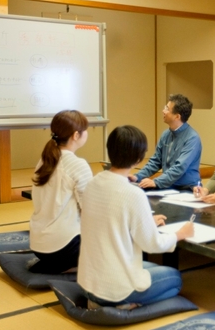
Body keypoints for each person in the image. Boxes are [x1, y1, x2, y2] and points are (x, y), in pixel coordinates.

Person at [79, 125, 194, 310]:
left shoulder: (93, 183)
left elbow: (112, 220)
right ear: (139, 158)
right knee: (175, 278)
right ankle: (123, 304)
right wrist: (180, 234)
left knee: (147, 267)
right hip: (114, 289)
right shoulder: (133, 193)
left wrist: (146, 223)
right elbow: (152, 244)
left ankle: (104, 300)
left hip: (88, 283)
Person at [28, 110, 92, 274]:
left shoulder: (44, 159)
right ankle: (71, 267)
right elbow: (91, 210)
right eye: (85, 130)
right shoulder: (78, 164)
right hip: (64, 248)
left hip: (38, 245)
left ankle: (60, 265)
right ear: (76, 135)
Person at [129, 94, 202, 190]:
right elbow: (155, 161)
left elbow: (179, 168)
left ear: (177, 116)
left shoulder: (193, 138)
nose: (163, 111)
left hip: (187, 188)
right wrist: (137, 177)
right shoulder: (166, 134)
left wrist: (156, 181)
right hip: (168, 185)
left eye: (167, 109)